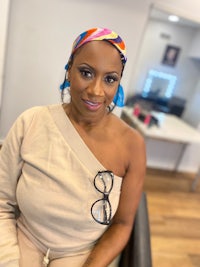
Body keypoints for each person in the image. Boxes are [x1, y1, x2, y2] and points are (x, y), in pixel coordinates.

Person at [0, 27, 146, 267]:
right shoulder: (31, 122)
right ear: (69, 70)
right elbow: (2, 203)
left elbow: (122, 225)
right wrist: (8, 260)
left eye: (110, 79)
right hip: (24, 239)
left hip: (83, 254)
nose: (96, 91)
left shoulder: (132, 146)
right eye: (86, 73)